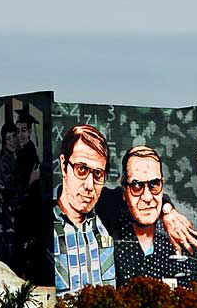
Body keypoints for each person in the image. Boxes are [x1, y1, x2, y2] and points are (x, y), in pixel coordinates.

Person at [113, 146, 197, 287]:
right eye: (136, 186)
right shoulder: (109, 232)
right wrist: (167, 208)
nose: (147, 197)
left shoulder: (185, 240)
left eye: (154, 185)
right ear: (124, 189)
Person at [54, 125, 116, 296]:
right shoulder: (38, 216)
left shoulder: (109, 212)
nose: (89, 186)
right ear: (63, 165)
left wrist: (167, 209)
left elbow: (140, 194)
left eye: (98, 174)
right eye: (81, 169)